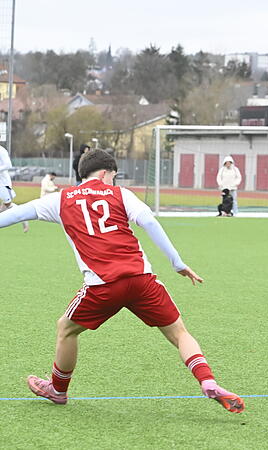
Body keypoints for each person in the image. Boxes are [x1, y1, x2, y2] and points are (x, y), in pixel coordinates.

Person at [0, 149, 244, 413]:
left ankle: (58, 390)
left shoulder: (61, 199)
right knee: (179, 333)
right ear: (105, 173)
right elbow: (150, 223)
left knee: (66, 329)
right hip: (142, 280)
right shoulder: (121, 194)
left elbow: (11, 216)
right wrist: (177, 263)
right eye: (114, 177)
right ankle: (207, 380)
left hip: (102, 286)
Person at [0, 144, 29, 233]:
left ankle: (24, 220)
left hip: (3, 184)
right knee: (3, 208)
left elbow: (8, 165)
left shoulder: (1, 150)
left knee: (7, 205)